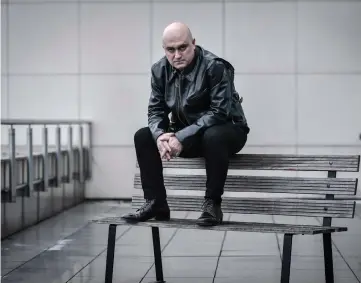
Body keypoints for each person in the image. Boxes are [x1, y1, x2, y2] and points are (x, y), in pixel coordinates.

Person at [122, 22, 249, 226]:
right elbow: (156, 111)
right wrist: (161, 136)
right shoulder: (159, 70)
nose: (177, 55)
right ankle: (156, 203)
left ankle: (212, 205)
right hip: (188, 134)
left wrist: (180, 137)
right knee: (143, 136)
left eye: (182, 47)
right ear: (164, 49)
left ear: (194, 44)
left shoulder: (215, 66)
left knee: (213, 135)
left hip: (228, 131)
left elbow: (219, 112)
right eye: (170, 50)